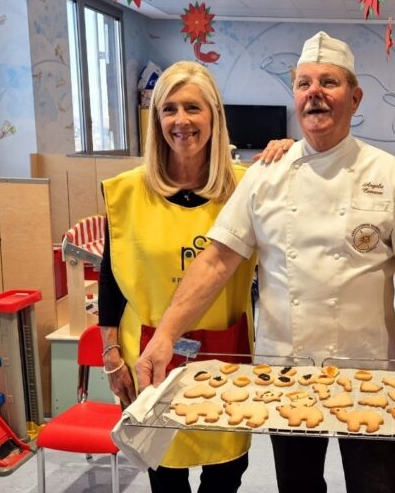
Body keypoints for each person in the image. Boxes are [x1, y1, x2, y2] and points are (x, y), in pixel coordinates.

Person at [135, 31, 395, 493]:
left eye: (328, 82)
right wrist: (165, 336)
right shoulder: (265, 173)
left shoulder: (388, 173)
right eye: (303, 84)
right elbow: (217, 260)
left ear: (355, 98)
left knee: (379, 486)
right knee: (298, 486)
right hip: (287, 371)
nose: (313, 93)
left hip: (369, 369)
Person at [98, 60, 283, 492]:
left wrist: (292, 152)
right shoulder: (128, 192)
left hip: (224, 356)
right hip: (149, 354)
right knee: (165, 474)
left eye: (193, 108)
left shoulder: (247, 186)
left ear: (214, 116)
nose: (181, 120)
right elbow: (111, 278)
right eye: (169, 109)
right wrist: (110, 353)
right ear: (156, 120)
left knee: (226, 473)